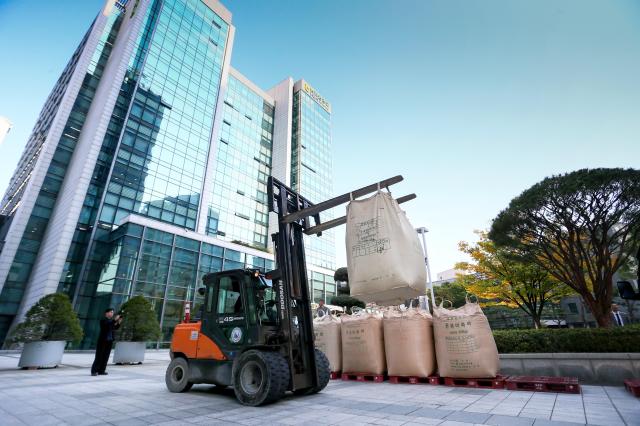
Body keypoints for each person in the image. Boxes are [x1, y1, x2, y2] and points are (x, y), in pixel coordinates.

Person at [91, 308, 122, 376]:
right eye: (111, 312)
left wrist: (118, 322)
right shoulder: (103, 320)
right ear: (106, 313)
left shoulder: (111, 321)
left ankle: (102, 370)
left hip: (109, 341)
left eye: (112, 312)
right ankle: (94, 371)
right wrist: (114, 320)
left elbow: (115, 328)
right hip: (103, 341)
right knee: (99, 356)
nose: (112, 313)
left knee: (106, 356)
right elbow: (107, 326)